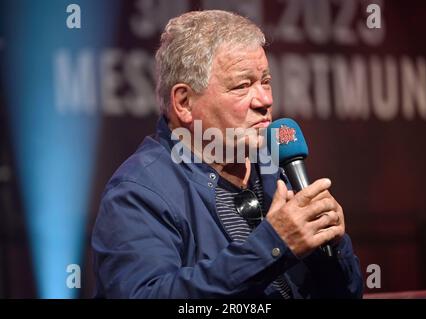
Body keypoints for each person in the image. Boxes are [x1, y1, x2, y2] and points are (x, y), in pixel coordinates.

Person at [92, 10, 363, 299]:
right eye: (242, 86)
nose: (265, 100)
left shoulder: (276, 169)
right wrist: (273, 244)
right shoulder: (138, 193)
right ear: (184, 102)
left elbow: (348, 292)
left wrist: (332, 250)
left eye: (266, 81)